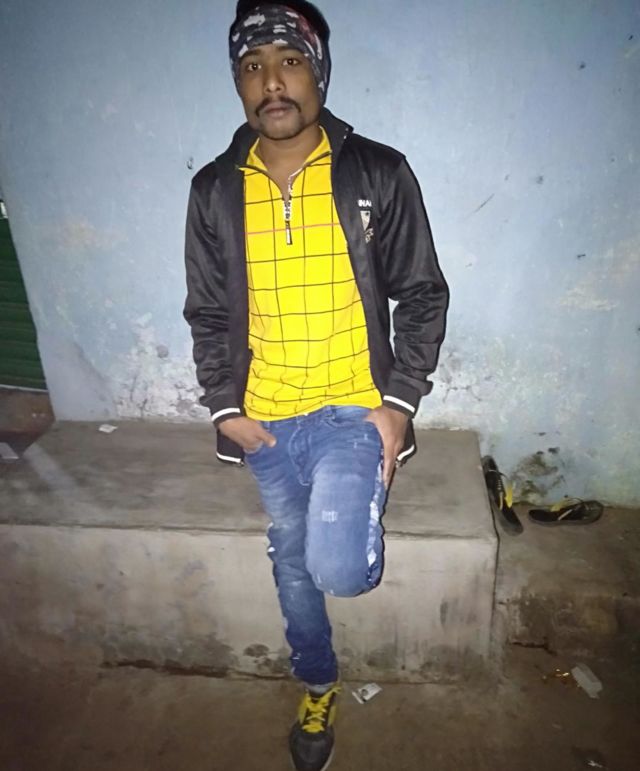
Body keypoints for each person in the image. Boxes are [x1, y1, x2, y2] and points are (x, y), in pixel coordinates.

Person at [184, 2, 449, 768]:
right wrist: (225, 410)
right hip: (264, 421)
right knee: (290, 559)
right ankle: (318, 682)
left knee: (338, 569)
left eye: (289, 62)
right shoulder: (213, 190)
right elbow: (207, 309)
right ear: (238, 82)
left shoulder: (377, 173)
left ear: (318, 73)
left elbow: (422, 293)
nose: (271, 82)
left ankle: (362, 491)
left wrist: (397, 406)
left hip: (351, 411)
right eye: (252, 67)